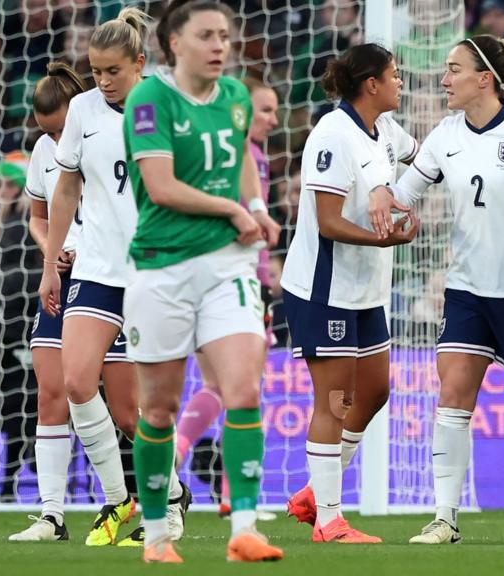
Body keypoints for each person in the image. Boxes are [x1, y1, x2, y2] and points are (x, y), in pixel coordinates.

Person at [368, 32, 504, 545]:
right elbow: (405, 196)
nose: (444, 78)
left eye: (454, 69)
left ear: (486, 79)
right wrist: (385, 203)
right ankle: (445, 517)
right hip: (467, 291)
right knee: (452, 397)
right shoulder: (444, 135)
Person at [121, 0, 283, 563]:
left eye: (225, 36)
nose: (220, 46)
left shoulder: (236, 97)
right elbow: (161, 186)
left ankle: (244, 528)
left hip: (226, 267)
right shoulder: (149, 99)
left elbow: (240, 154)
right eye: (207, 36)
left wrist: (256, 204)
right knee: (159, 409)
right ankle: (157, 537)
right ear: (174, 45)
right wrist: (232, 211)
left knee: (242, 390)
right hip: (161, 267)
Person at [37, 8, 189, 547]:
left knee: (136, 407)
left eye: (112, 72)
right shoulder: (81, 109)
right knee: (77, 382)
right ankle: (119, 497)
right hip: (98, 267)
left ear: (140, 64)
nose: (101, 81)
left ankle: (169, 495)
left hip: (153, 270)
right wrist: (53, 264)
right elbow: (67, 189)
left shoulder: (168, 104)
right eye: (95, 71)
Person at [281, 43, 419, 544]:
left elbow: (418, 156)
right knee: (335, 401)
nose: (401, 83)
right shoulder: (332, 135)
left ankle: (317, 494)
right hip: (326, 289)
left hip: (365, 289)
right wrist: (383, 237)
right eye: (395, 75)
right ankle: (329, 521)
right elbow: (329, 222)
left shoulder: (382, 131)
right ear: (372, 85)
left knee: (376, 390)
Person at [172, 77, 280, 518]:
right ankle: (196, 467)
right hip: (234, 283)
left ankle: (227, 490)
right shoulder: (243, 158)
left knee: (226, 387)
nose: (272, 120)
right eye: (265, 111)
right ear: (239, 113)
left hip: (201, 277)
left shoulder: (239, 155)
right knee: (238, 389)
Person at [7, 62, 89, 541]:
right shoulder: (42, 151)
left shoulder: (105, 138)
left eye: (59, 128)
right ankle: (52, 514)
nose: (55, 138)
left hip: (106, 275)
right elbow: (39, 217)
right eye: (46, 131)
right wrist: (52, 251)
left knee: (128, 406)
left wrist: (88, 245)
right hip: (59, 276)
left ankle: (166, 495)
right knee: (50, 392)